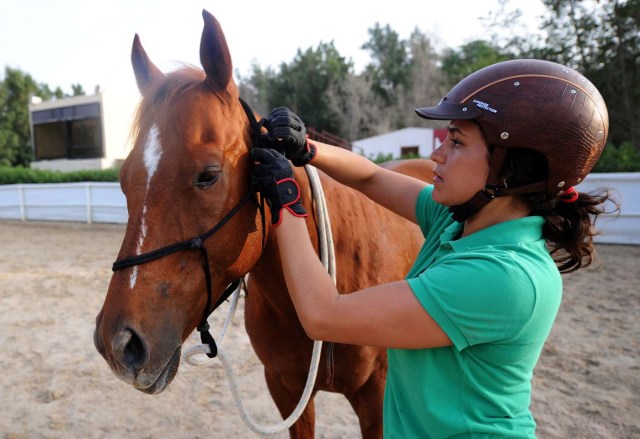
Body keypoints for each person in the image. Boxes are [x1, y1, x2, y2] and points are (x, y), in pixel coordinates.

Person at [250, 59, 618, 438]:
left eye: (456, 142)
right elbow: (372, 176)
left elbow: (322, 316)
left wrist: (287, 204)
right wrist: (305, 148)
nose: (436, 156)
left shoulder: (504, 277)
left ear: (512, 168)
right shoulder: (459, 221)